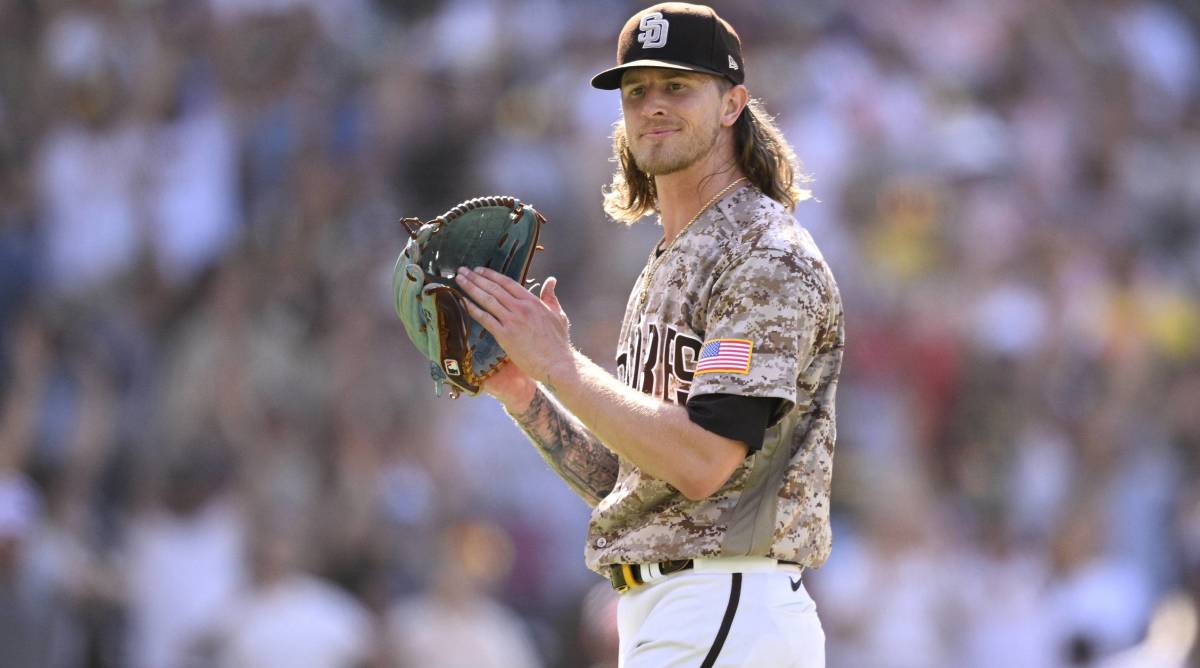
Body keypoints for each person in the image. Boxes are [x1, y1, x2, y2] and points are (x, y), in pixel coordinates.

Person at [455, 3, 844, 666]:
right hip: (683, 609)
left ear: (732, 104)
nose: (653, 105)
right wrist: (526, 395)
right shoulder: (672, 260)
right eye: (637, 91)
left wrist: (562, 365)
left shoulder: (763, 254)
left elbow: (702, 463)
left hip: (724, 602)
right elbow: (638, 482)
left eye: (678, 86)